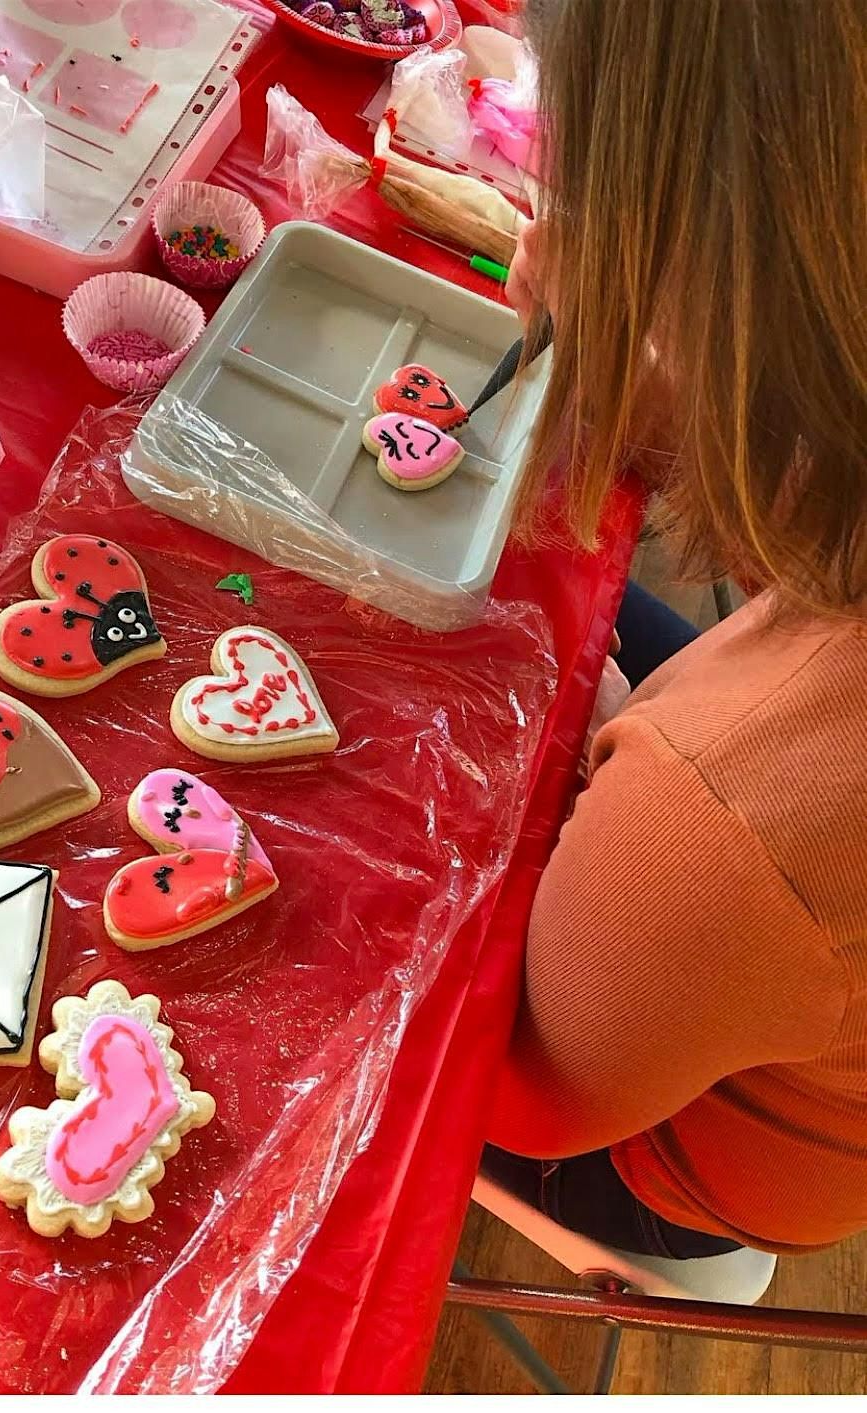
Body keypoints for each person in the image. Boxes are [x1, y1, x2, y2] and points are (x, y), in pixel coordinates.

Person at [484, 0, 867, 1257]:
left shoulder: (732, 826)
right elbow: (810, 538)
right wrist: (653, 390)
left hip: (672, 1156)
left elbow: (526, 1090)